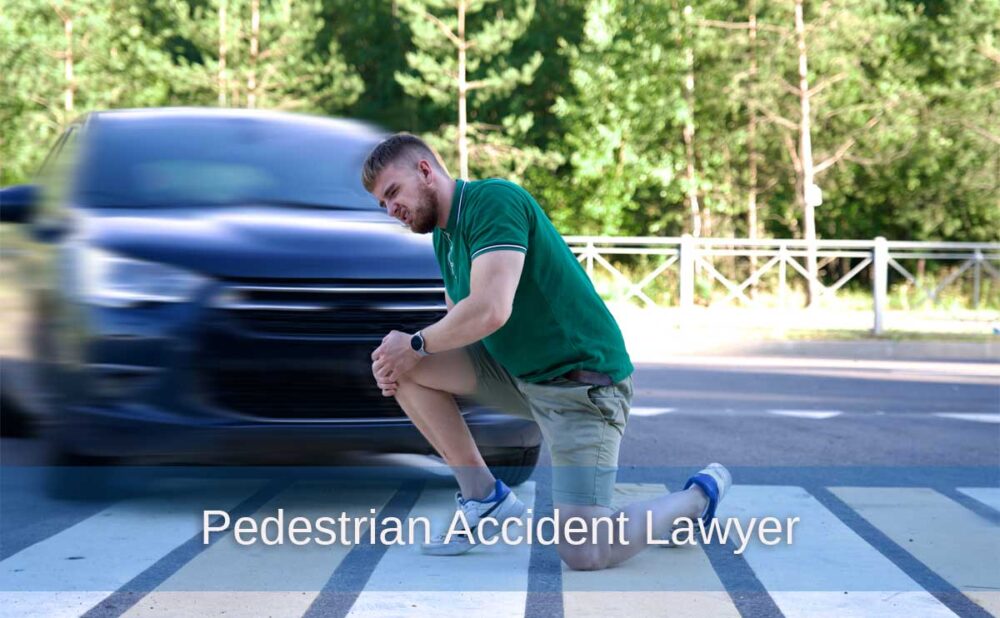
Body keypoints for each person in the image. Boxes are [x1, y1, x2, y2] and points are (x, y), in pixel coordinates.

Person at [363, 133, 731, 571]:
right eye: (382, 204)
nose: (391, 211)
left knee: (584, 552)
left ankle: (696, 498)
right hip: (520, 377)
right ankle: (485, 498)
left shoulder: (493, 201)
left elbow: (490, 309)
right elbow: (460, 325)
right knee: (398, 364)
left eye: (392, 193)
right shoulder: (444, 237)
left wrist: (418, 344)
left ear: (425, 171)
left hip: (582, 389)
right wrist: (404, 356)